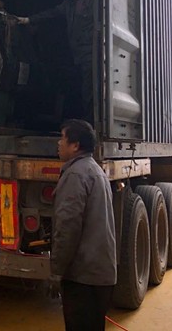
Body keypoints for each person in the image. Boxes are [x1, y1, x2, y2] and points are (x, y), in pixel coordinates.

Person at [51, 119, 117, 331]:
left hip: (83, 278)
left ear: (75, 145)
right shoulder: (95, 170)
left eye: (62, 138)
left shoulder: (75, 174)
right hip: (100, 275)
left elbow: (67, 227)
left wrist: (56, 272)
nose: (58, 143)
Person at [19, 0, 94, 121]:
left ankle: (91, 123)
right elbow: (52, 13)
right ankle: (85, 120)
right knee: (83, 90)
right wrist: (29, 20)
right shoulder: (68, 4)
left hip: (91, 54)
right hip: (79, 55)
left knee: (89, 91)